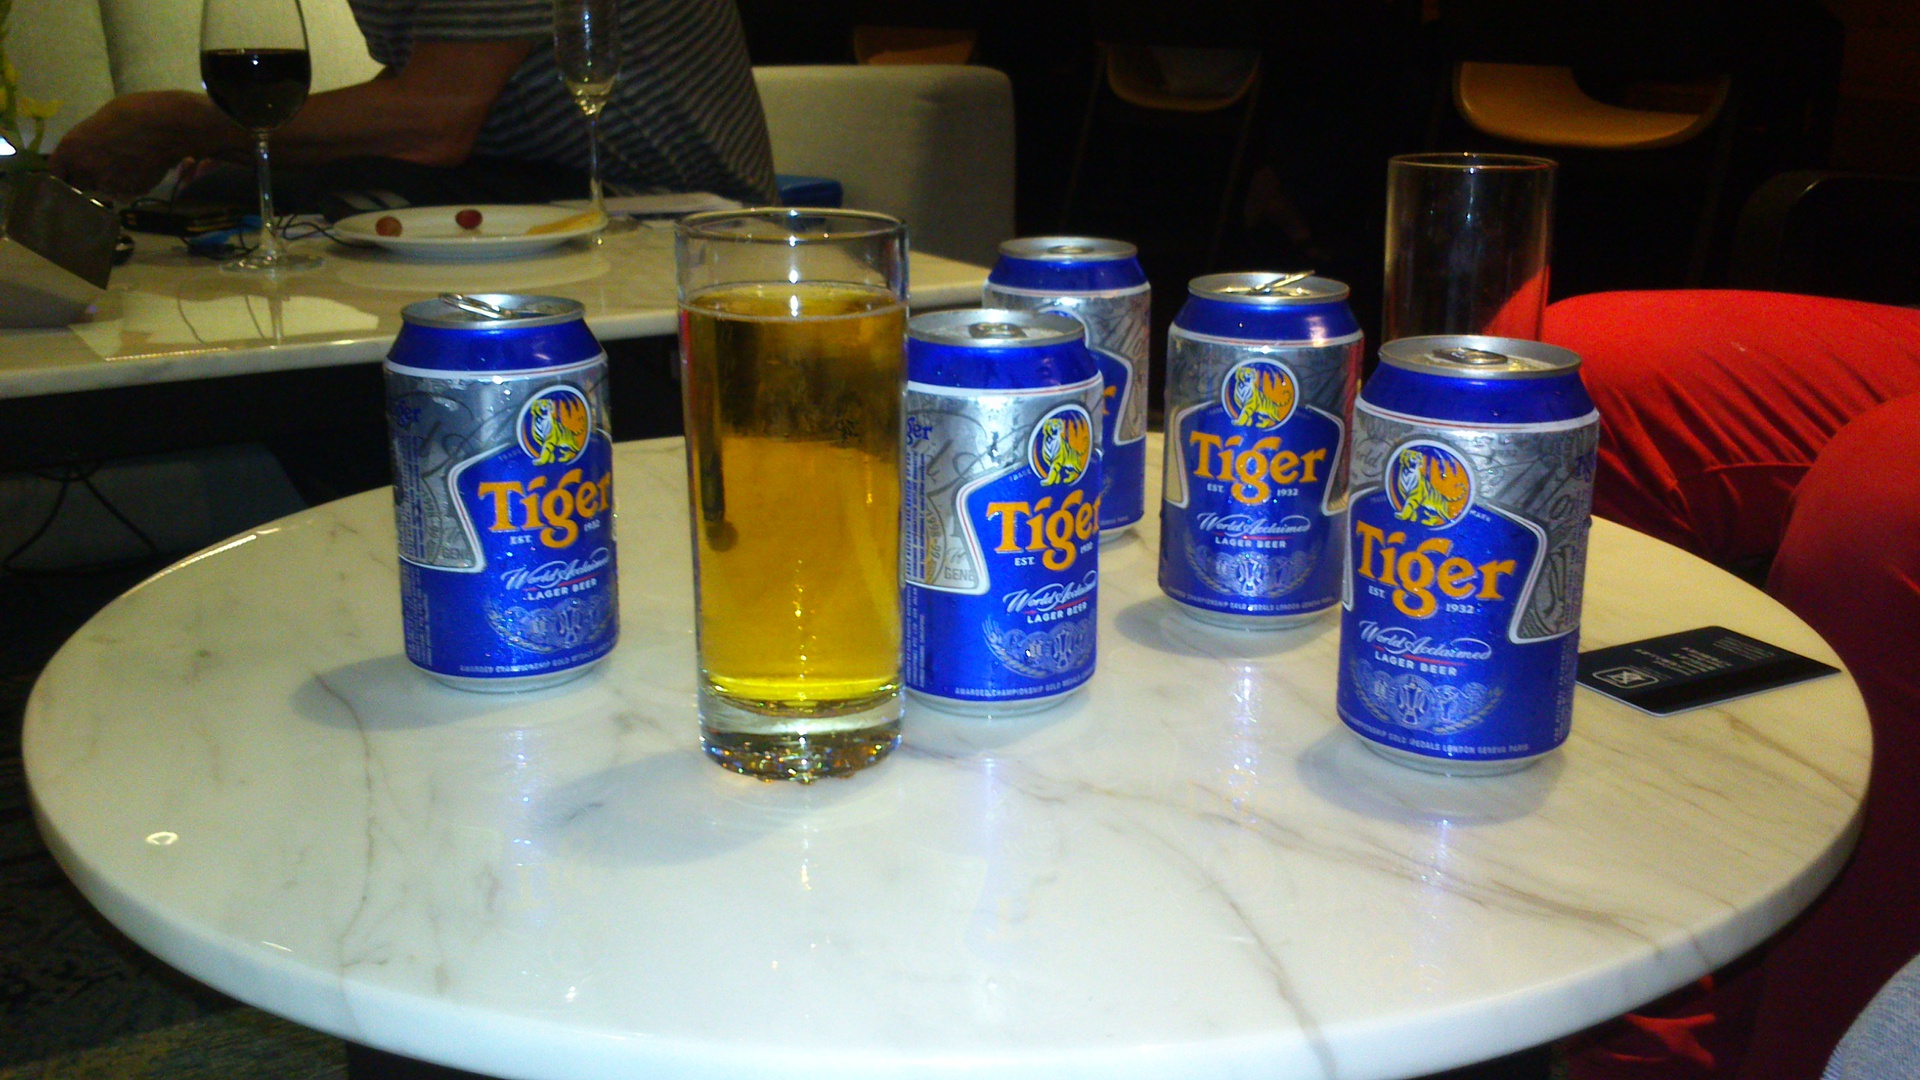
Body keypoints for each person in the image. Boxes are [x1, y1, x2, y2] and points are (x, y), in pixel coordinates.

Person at [49, 0, 776, 210]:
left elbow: (432, 124)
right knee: (234, 191)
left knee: (297, 203)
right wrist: (234, 142)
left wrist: (182, 124)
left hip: (675, 209)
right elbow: (419, 87)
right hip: (533, 176)